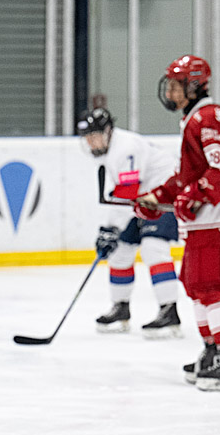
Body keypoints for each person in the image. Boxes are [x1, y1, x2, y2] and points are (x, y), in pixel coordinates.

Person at [136, 55, 220, 392]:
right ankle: (214, 350)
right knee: (195, 282)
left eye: (176, 85)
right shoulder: (194, 118)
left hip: (214, 218)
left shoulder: (208, 116)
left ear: (194, 85)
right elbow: (188, 177)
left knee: (210, 284)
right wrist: (156, 197)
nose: (169, 92)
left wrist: (195, 195)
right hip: (203, 220)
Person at [78, 106, 183, 338]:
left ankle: (169, 310)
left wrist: (111, 228)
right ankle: (120, 307)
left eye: (95, 136)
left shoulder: (125, 149)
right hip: (143, 200)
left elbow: (127, 194)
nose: (92, 143)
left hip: (163, 196)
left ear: (107, 132)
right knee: (120, 251)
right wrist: (110, 230)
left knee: (154, 249)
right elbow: (125, 197)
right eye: (88, 138)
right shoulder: (109, 152)